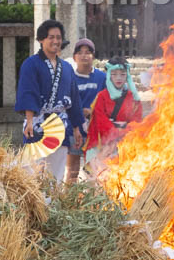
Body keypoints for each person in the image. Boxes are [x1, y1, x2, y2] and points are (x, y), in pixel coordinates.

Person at [15, 19, 85, 182]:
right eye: (51, 37)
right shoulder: (31, 64)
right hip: (38, 123)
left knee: (57, 172)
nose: (56, 41)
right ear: (41, 40)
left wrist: (76, 127)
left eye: (58, 37)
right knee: (33, 171)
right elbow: (28, 92)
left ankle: (53, 204)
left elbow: (74, 97)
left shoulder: (67, 68)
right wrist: (30, 120)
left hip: (61, 124)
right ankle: (34, 205)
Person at [84, 56, 143, 163]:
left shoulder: (133, 97)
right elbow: (100, 120)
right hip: (105, 143)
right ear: (108, 75)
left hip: (126, 142)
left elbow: (137, 120)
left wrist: (125, 132)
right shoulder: (102, 96)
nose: (119, 78)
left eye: (122, 74)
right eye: (114, 74)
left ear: (127, 76)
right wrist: (115, 134)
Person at [66, 38, 106, 183]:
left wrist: (92, 111)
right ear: (74, 57)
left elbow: (107, 102)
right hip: (74, 130)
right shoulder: (69, 78)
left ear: (93, 56)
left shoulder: (102, 77)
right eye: (80, 52)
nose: (84, 56)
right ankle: (68, 202)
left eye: (88, 52)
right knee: (72, 169)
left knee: (93, 171)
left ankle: (93, 202)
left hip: (94, 132)